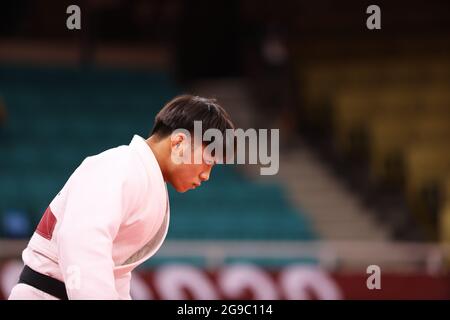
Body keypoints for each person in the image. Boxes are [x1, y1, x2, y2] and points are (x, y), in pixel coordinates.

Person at [8, 94, 234, 300]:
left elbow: (116, 274)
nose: (206, 175)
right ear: (178, 142)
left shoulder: (141, 175)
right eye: (207, 160)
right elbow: (82, 241)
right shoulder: (120, 166)